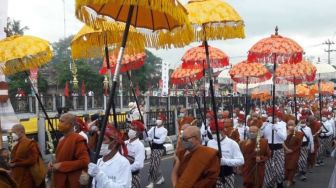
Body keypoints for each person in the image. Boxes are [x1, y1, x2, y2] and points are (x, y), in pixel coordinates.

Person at [50, 113, 90, 188]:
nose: (59, 124)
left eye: (62, 122)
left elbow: (84, 161)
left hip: (70, 182)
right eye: (59, 121)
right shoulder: (62, 140)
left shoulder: (78, 139)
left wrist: (61, 165)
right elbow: (61, 158)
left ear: (70, 124)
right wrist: (53, 163)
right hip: (60, 180)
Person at [207, 122, 244, 188]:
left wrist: (225, 161)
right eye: (213, 133)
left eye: (216, 132)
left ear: (223, 131)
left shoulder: (232, 143)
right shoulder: (210, 143)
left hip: (227, 176)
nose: (214, 135)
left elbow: (241, 161)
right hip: (213, 177)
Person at [10, 124, 46, 188]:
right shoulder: (17, 144)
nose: (13, 135)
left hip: (27, 176)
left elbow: (33, 160)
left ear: (21, 131)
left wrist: (16, 164)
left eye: (14, 132)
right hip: (18, 175)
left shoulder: (30, 143)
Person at [262, 112, 287, 188]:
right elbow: (259, 136)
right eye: (270, 115)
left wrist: (276, 129)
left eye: (274, 116)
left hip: (278, 148)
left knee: (279, 169)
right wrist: (262, 127)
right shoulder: (265, 125)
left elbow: (284, 137)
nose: (272, 117)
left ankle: (279, 183)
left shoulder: (282, 125)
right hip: (268, 149)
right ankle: (269, 185)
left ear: (277, 117)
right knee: (268, 169)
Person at [145, 119, 168, 187]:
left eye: (160, 120)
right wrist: (145, 131)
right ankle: (161, 177)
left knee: (154, 166)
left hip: (159, 149)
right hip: (153, 148)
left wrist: (152, 139)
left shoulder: (164, 130)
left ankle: (151, 182)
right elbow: (147, 135)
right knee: (155, 165)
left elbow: (161, 140)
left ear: (162, 122)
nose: (158, 121)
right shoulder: (153, 128)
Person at [125, 120, 146, 188]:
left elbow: (139, 164)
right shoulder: (124, 143)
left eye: (133, 129)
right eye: (130, 128)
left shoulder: (139, 146)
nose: (130, 130)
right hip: (123, 176)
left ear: (138, 132)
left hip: (133, 176)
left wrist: (125, 169)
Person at [284, 121, 304, 187]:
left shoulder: (299, 133)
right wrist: (287, 150)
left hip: (295, 152)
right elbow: (281, 142)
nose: (290, 126)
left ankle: (289, 181)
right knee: (286, 166)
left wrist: (292, 150)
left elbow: (299, 144)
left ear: (295, 126)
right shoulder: (284, 132)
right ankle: (290, 179)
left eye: (292, 125)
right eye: (289, 125)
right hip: (285, 151)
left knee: (292, 166)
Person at [296, 116, 314, 181]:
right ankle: (300, 171)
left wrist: (312, 147)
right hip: (298, 146)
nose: (302, 122)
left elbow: (311, 138)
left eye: (304, 121)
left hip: (305, 146)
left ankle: (302, 172)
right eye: (301, 121)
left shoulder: (308, 129)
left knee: (303, 159)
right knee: (299, 160)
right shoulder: (297, 128)